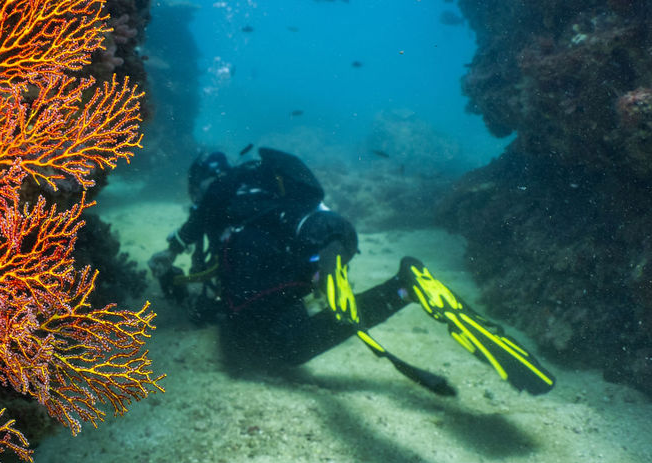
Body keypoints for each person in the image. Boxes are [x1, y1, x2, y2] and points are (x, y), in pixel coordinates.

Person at [149, 148, 556, 396]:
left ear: (198, 182)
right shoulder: (265, 187)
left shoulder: (215, 197)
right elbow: (304, 214)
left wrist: (173, 276)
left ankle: (397, 288)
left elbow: (192, 259)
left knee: (281, 348)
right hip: (300, 245)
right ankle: (399, 285)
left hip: (261, 272)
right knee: (300, 270)